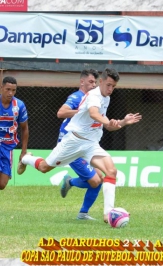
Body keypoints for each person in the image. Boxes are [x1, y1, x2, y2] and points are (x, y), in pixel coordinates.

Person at [20, 68, 142, 223]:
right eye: (109, 85)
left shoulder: (106, 98)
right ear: (101, 82)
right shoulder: (93, 96)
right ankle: (25, 158)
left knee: (111, 171)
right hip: (74, 141)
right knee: (44, 167)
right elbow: (94, 114)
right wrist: (106, 121)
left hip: (91, 144)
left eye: (113, 87)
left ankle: (108, 214)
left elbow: (109, 126)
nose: (110, 89)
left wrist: (123, 122)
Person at [57, 69, 102, 220]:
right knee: (95, 180)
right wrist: (81, 112)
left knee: (100, 177)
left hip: (85, 143)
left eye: (95, 82)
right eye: (90, 81)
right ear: (81, 82)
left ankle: (83, 213)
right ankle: (70, 182)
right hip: (71, 144)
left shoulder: (93, 99)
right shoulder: (77, 97)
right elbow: (61, 113)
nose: (93, 85)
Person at [0, 76, 29, 189]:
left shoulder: (19, 106)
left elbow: (24, 128)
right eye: (8, 89)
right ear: (1, 88)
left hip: (8, 147)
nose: (10, 93)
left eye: (13, 90)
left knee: (2, 184)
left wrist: (23, 151)